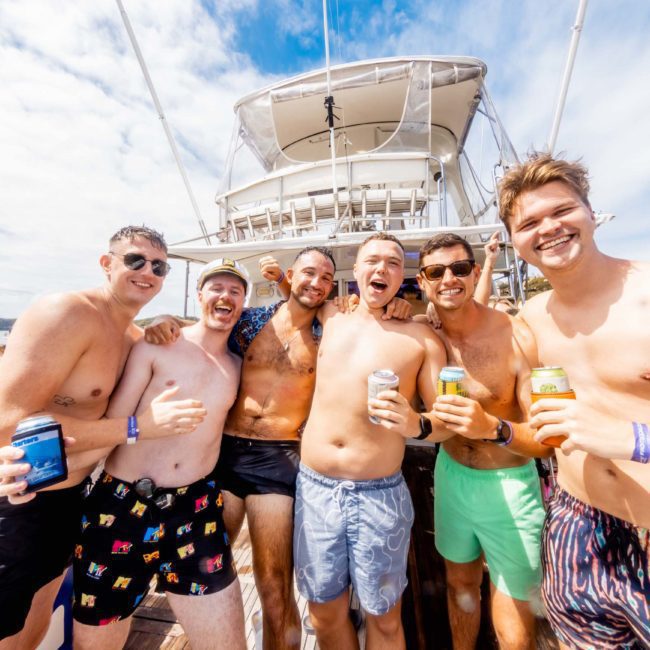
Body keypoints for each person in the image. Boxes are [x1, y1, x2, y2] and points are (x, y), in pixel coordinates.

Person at [145, 248, 410, 650]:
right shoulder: (252, 322)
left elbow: (370, 330)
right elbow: (203, 334)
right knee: (204, 566)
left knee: (273, 583)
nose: (317, 283)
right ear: (291, 275)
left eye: (326, 278)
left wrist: (405, 308)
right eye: (308, 274)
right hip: (227, 454)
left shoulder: (328, 334)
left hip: (278, 459)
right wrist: (165, 322)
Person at [0, 226, 206, 649]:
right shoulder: (66, 312)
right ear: (106, 263)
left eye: (159, 266)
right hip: (18, 500)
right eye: (135, 260)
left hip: (71, 500)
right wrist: (138, 428)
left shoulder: (133, 337)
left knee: (32, 626)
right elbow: (9, 421)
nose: (147, 271)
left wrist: (167, 323)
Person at [498, 152, 650, 650]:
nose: (549, 229)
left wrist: (631, 437)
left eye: (562, 211)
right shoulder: (533, 315)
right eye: (529, 223)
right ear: (515, 241)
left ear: (589, 210)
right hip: (577, 524)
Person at [72, 258, 250, 650]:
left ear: (242, 304)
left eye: (235, 291)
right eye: (216, 288)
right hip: (120, 506)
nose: (225, 296)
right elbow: (115, 420)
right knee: (94, 643)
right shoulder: (156, 345)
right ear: (199, 295)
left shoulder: (239, 365)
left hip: (195, 508)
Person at [294, 232, 446, 650]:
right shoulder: (329, 316)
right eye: (372, 261)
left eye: (393, 263)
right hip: (315, 489)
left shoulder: (421, 338)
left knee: (385, 616)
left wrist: (417, 424)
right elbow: (285, 302)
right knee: (323, 612)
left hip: (379, 495)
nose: (381, 269)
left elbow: (445, 422)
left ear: (403, 276)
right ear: (356, 270)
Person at [415, 232, 551, 650]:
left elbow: (546, 441)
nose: (449, 279)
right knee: (460, 586)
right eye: (436, 271)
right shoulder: (423, 332)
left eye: (459, 269)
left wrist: (494, 428)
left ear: (476, 273)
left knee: (515, 628)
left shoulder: (517, 336)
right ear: (422, 281)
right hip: (452, 476)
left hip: (509, 485)